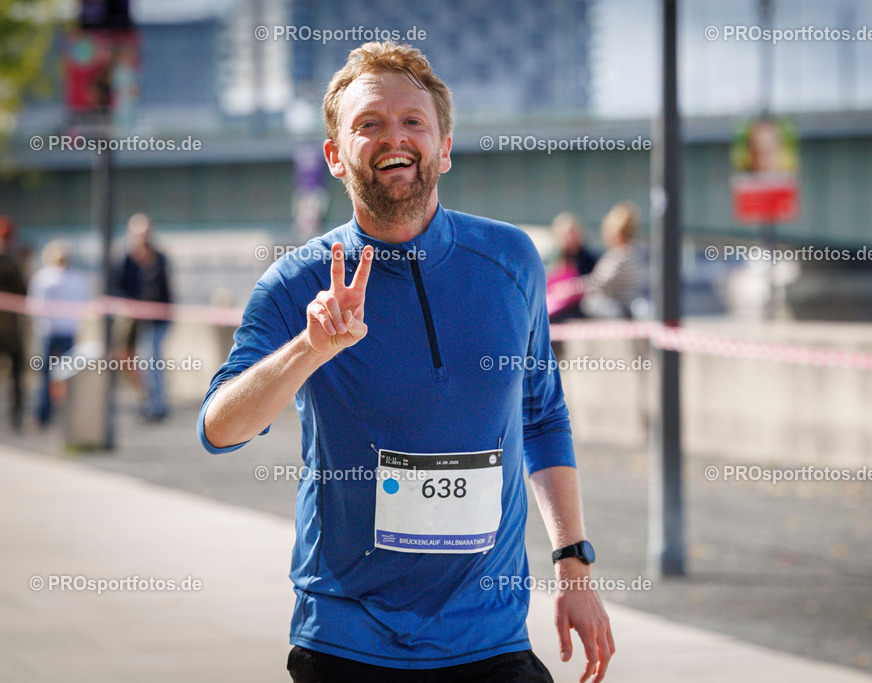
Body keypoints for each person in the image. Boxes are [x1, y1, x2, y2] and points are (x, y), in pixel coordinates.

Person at [198, 41, 614, 682]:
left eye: (412, 121)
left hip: (490, 638)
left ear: (444, 146)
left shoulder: (511, 261)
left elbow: (541, 414)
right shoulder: (296, 282)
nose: (395, 137)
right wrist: (311, 348)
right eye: (369, 124)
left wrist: (573, 560)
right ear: (336, 156)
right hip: (345, 641)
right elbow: (219, 429)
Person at [116, 214, 173, 420]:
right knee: (128, 359)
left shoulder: (157, 259)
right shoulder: (126, 260)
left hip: (155, 321)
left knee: (152, 360)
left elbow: (159, 291)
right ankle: (147, 399)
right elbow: (119, 286)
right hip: (134, 320)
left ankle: (156, 405)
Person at [26, 240, 89, 426]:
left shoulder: (49, 277)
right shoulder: (47, 277)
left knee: (61, 376)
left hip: (59, 331)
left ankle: (54, 415)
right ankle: (47, 414)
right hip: (53, 331)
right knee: (51, 375)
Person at [581, 202, 642, 319]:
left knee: (587, 304)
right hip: (623, 309)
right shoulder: (631, 253)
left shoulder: (620, 255)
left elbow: (599, 282)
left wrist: (572, 287)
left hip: (618, 311)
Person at [0, 217, 27, 431]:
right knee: (17, 372)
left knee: (17, 372)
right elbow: (22, 291)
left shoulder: (12, 259)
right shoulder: (10, 260)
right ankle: (16, 415)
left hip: (10, 327)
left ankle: (16, 415)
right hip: (9, 328)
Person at [547, 212, 597, 323]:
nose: (569, 238)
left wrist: (574, 287)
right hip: (556, 308)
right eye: (565, 234)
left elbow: (595, 281)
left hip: (580, 308)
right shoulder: (553, 258)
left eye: (572, 233)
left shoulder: (588, 259)